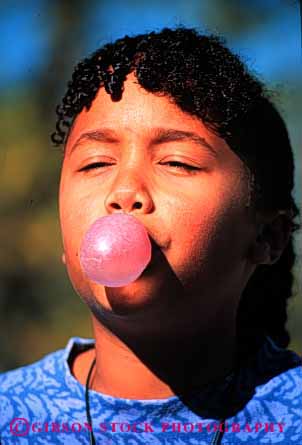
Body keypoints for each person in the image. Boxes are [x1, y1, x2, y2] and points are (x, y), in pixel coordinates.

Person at [0, 27, 301, 445]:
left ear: (268, 235)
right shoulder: (9, 414)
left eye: (177, 162)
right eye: (96, 163)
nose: (124, 193)